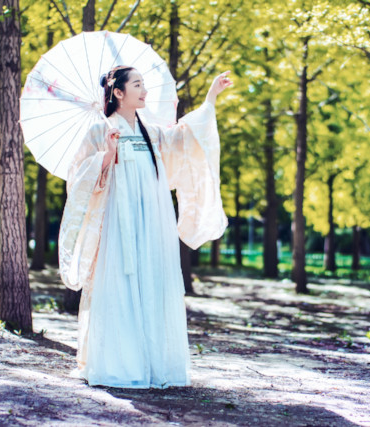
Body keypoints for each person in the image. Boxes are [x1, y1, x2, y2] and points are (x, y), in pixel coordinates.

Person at [58, 65, 232, 388]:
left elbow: (183, 139)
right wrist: (106, 156)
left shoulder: (151, 132)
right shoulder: (99, 131)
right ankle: (121, 364)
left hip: (152, 221)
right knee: (119, 285)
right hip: (116, 224)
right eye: (137, 84)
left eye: (143, 84)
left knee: (151, 282)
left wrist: (210, 100)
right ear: (119, 92)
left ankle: (153, 362)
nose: (144, 90)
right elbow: (77, 181)